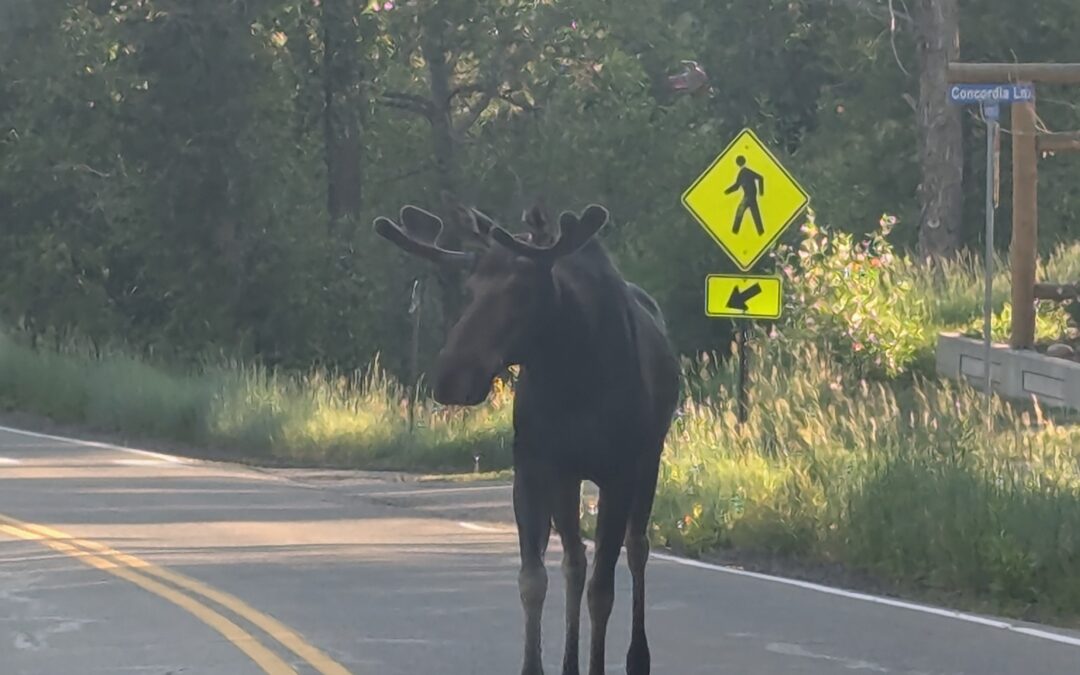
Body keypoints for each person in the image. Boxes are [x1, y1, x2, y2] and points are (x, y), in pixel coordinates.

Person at [725, 155, 765, 235]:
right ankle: (760, 231)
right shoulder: (747, 171)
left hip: (748, 197)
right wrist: (760, 192)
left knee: (740, 211)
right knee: (755, 213)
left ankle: (735, 231)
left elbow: (737, 186)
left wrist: (726, 192)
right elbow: (760, 178)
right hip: (752, 196)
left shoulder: (743, 172)